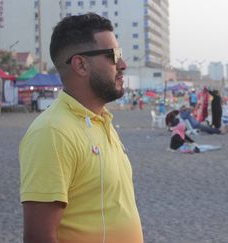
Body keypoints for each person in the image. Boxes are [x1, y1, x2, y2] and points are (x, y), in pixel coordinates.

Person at [19, 13, 143, 243]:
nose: (123, 65)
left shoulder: (101, 120)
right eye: (113, 55)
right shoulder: (53, 133)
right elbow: (39, 237)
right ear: (80, 64)